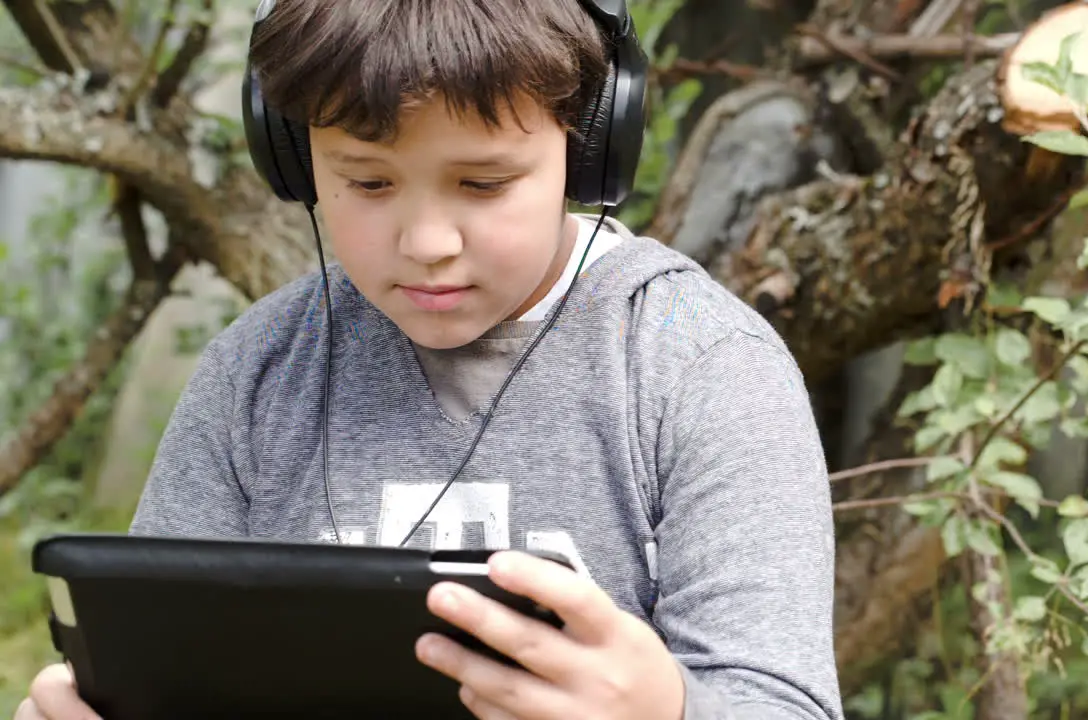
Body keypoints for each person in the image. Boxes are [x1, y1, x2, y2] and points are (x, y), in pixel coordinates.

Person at [15, 0, 842, 718]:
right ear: (295, 159)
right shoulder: (256, 374)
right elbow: (168, 665)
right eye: (369, 184)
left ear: (588, 145)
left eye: (483, 184)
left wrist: (667, 710)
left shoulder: (700, 367)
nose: (427, 245)